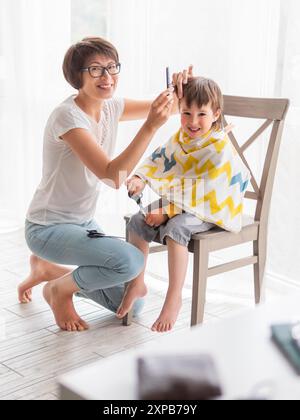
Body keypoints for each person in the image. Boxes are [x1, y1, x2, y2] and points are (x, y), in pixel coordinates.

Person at [18, 36, 190, 332]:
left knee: (131, 304)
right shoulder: (68, 117)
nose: (107, 77)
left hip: (82, 223)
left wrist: (181, 89)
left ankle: (48, 270)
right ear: (77, 77)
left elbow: (170, 108)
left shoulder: (111, 107)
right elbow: (113, 177)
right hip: (47, 228)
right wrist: (150, 126)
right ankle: (59, 291)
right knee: (131, 262)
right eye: (95, 70)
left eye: (112, 67)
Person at [117, 77, 250, 332]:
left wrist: (167, 212)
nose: (192, 121)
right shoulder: (181, 138)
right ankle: (137, 281)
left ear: (216, 115)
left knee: (176, 228)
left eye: (201, 114)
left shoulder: (219, 145)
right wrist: (139, 178)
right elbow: (159, 159)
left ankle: (174, 295)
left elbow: (211, 189)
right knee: (137, 221)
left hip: (213, 205)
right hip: (182, 198)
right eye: (186, 113)